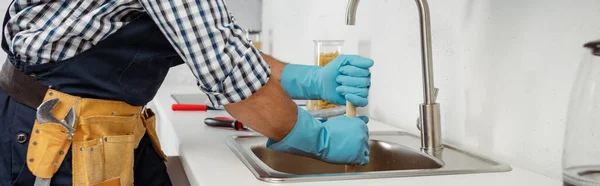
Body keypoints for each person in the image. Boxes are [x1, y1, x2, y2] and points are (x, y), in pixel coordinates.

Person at [0, 0, 374, 185]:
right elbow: (228, 71)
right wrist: (318, 139)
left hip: (104, 133)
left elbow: (220, 46)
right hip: (58, 135)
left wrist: (308, 78)